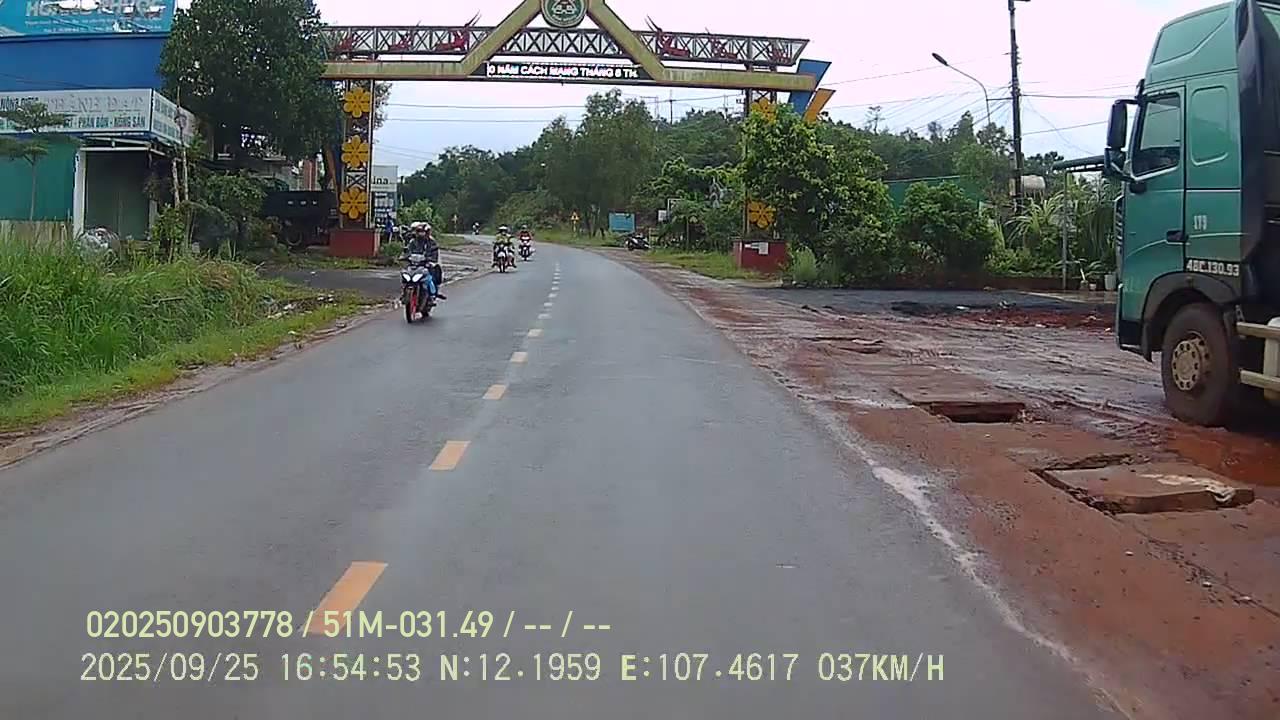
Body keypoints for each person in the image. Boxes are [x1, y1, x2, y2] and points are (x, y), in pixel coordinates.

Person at [404, 223, 446, 300]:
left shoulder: (432, 242)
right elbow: (408, 251)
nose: (421, 234)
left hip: (427, 263)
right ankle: (405, 293)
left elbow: (434, 252)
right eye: (419, 231)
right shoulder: (413, 241)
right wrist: (405, 257)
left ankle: (433, 293)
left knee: (434, 274)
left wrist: (430, 259)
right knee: (406, 274)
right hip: (415, 264)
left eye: (423, 232)